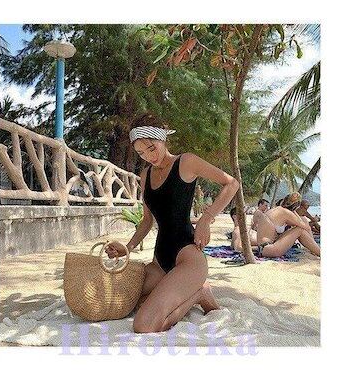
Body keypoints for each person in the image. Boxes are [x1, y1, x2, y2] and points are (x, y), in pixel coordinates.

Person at [105, 112, 239, 333]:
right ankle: (186, 289)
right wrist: (127, 248)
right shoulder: (145, 175)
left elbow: (231, 183)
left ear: (162, 138)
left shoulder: (186, 162)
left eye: (152, 148)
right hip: (160, 260)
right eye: (141, 153)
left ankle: (198, 293)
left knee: (144, 325)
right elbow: (147, 220)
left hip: (188, 257)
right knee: (124, 299)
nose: (149, 156)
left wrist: (206, 219)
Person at [255, 192, 320, 258]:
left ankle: (315, 250)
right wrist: (294, 212)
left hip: (262, 248)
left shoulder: (275, 210)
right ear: (296, 206)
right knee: (300, 229)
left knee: (296, 228)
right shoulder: (286, 212)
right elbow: (306, 227)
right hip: (270, 249)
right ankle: (319, 252)